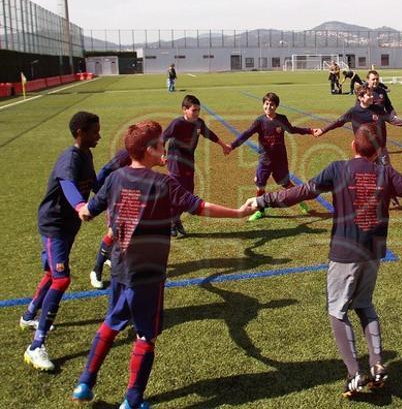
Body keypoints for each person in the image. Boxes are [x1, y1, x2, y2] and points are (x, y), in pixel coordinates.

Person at [246, 123, 402, 396]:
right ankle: (378, 365)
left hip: (346, 252)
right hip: (373, 251)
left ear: (353, 146)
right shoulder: (385, 171)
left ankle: (354, 373)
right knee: (364, 304)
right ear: (378, 150)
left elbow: (303, 191)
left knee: (337, 310)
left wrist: (264, 201)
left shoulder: (338, 168)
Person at [70, 120, 254, 409]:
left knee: (111, 323)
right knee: (145, 334)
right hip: (149, 274)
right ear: (149, 150)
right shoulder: (164, 182)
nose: (163, 148)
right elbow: (200, 206)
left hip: (119, 267)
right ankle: (132, 399)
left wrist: (79, 207)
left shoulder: (115, 179)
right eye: (159, 145)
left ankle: (85, 382)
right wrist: (238, 213)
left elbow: (90, 211)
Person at [21, 111, 101, 371]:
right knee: (61, 278)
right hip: (54, 224)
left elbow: (96, 183)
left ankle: (29, 315)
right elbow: (66, 183)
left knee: (51, 273)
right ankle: (36, 346)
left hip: (68, 225)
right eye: (94, 131)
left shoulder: (87, 155)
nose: (98, 135)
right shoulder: (70, 158)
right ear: (80, 133)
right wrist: (80, 205)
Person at [226, 92, 316, 222]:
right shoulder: (259, 121)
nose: (269, 107)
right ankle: (260, 211)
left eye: (272, 104)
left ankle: (300, 199)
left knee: (285, 183)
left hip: (280, 159)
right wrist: (232, 146)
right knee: (260, 185)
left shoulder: (282, 119)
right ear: (263, 105)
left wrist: (309, 130)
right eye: (266, 104)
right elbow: (246, 134)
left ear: (276, 106)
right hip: (265, 160)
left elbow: (292, 129)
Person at [162, 94, 231, 237]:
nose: (197, 113)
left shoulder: (199, 123)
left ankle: (174, 220)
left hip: (189, 161)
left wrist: (223, 145)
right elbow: (163, 137)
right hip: (176, 162)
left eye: (198, 110)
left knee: (188, 192)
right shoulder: (177, 124)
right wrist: (162, 153)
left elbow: (209, 134)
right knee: (179, 193)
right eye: (194, 110)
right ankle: (170, 221)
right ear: (184, 110)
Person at [316, 85, 402, 168]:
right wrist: (322, 130)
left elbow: (392, 119)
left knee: (386, 171)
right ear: (360, 98)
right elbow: (338, 122)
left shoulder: (378, 109)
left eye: (372, 94)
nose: (372, 97)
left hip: (380, 148)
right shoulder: (353, 112)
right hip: (364, 150)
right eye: (369, 95)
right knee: (365, 174)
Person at [89, 148, 132, 289]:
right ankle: (96, 270)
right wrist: (100, 191)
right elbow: (106, 169)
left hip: (130, 196)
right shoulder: (125, 154)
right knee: (113, 233)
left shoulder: (145, 151)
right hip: (116, 197)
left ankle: (111, 257)